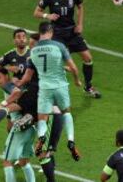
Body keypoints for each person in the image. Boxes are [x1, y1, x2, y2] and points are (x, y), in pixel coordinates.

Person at [17, 22, 82, 161]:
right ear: (51, 31)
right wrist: (77, 80)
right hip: (60, 86)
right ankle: (71, 141)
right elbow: (74, 68)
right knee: (66, 112)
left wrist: (18, 84)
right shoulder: (59, 46)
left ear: (40, 32)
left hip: (45, 88)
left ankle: (41, 137)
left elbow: (27, 76)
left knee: (42, 117)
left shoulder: (33, 52)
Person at [33, 0, 101, 98]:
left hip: (72, 32)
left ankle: (88, 87)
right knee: (56, 62)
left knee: (88, 58)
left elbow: (80, 7)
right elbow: (36, 12)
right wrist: (47, 15)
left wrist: (80, 24)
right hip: (57, 33)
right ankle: (46, 89)